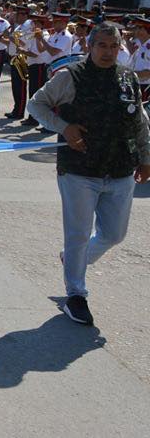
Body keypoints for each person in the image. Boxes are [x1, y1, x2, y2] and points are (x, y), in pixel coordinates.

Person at [27, 22, 150, 325]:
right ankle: (76, 294)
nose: (108, 51)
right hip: (79, 170)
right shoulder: (71, 77)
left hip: (121, 169)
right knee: (78, 233)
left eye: (114, 46)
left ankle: (72, 259)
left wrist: (146, 158)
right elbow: (36, 104)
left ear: (120, 48)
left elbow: (140, 122)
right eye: (102, 45)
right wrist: (64, 127)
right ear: (90, 46)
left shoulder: (128, 79)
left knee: (114, 234)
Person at [0, 5, 33, 120]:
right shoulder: (19, 27)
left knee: (21, 86)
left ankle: (20, 112)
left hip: (21, 58)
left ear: (24, 15)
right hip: (14, 57)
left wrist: (10, 37)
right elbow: (12, 43)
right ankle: (16, 109)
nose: (16, 17)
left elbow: (24, 44)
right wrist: (2, 38)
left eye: (18, 14)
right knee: (15, 86)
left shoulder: (28, 26)